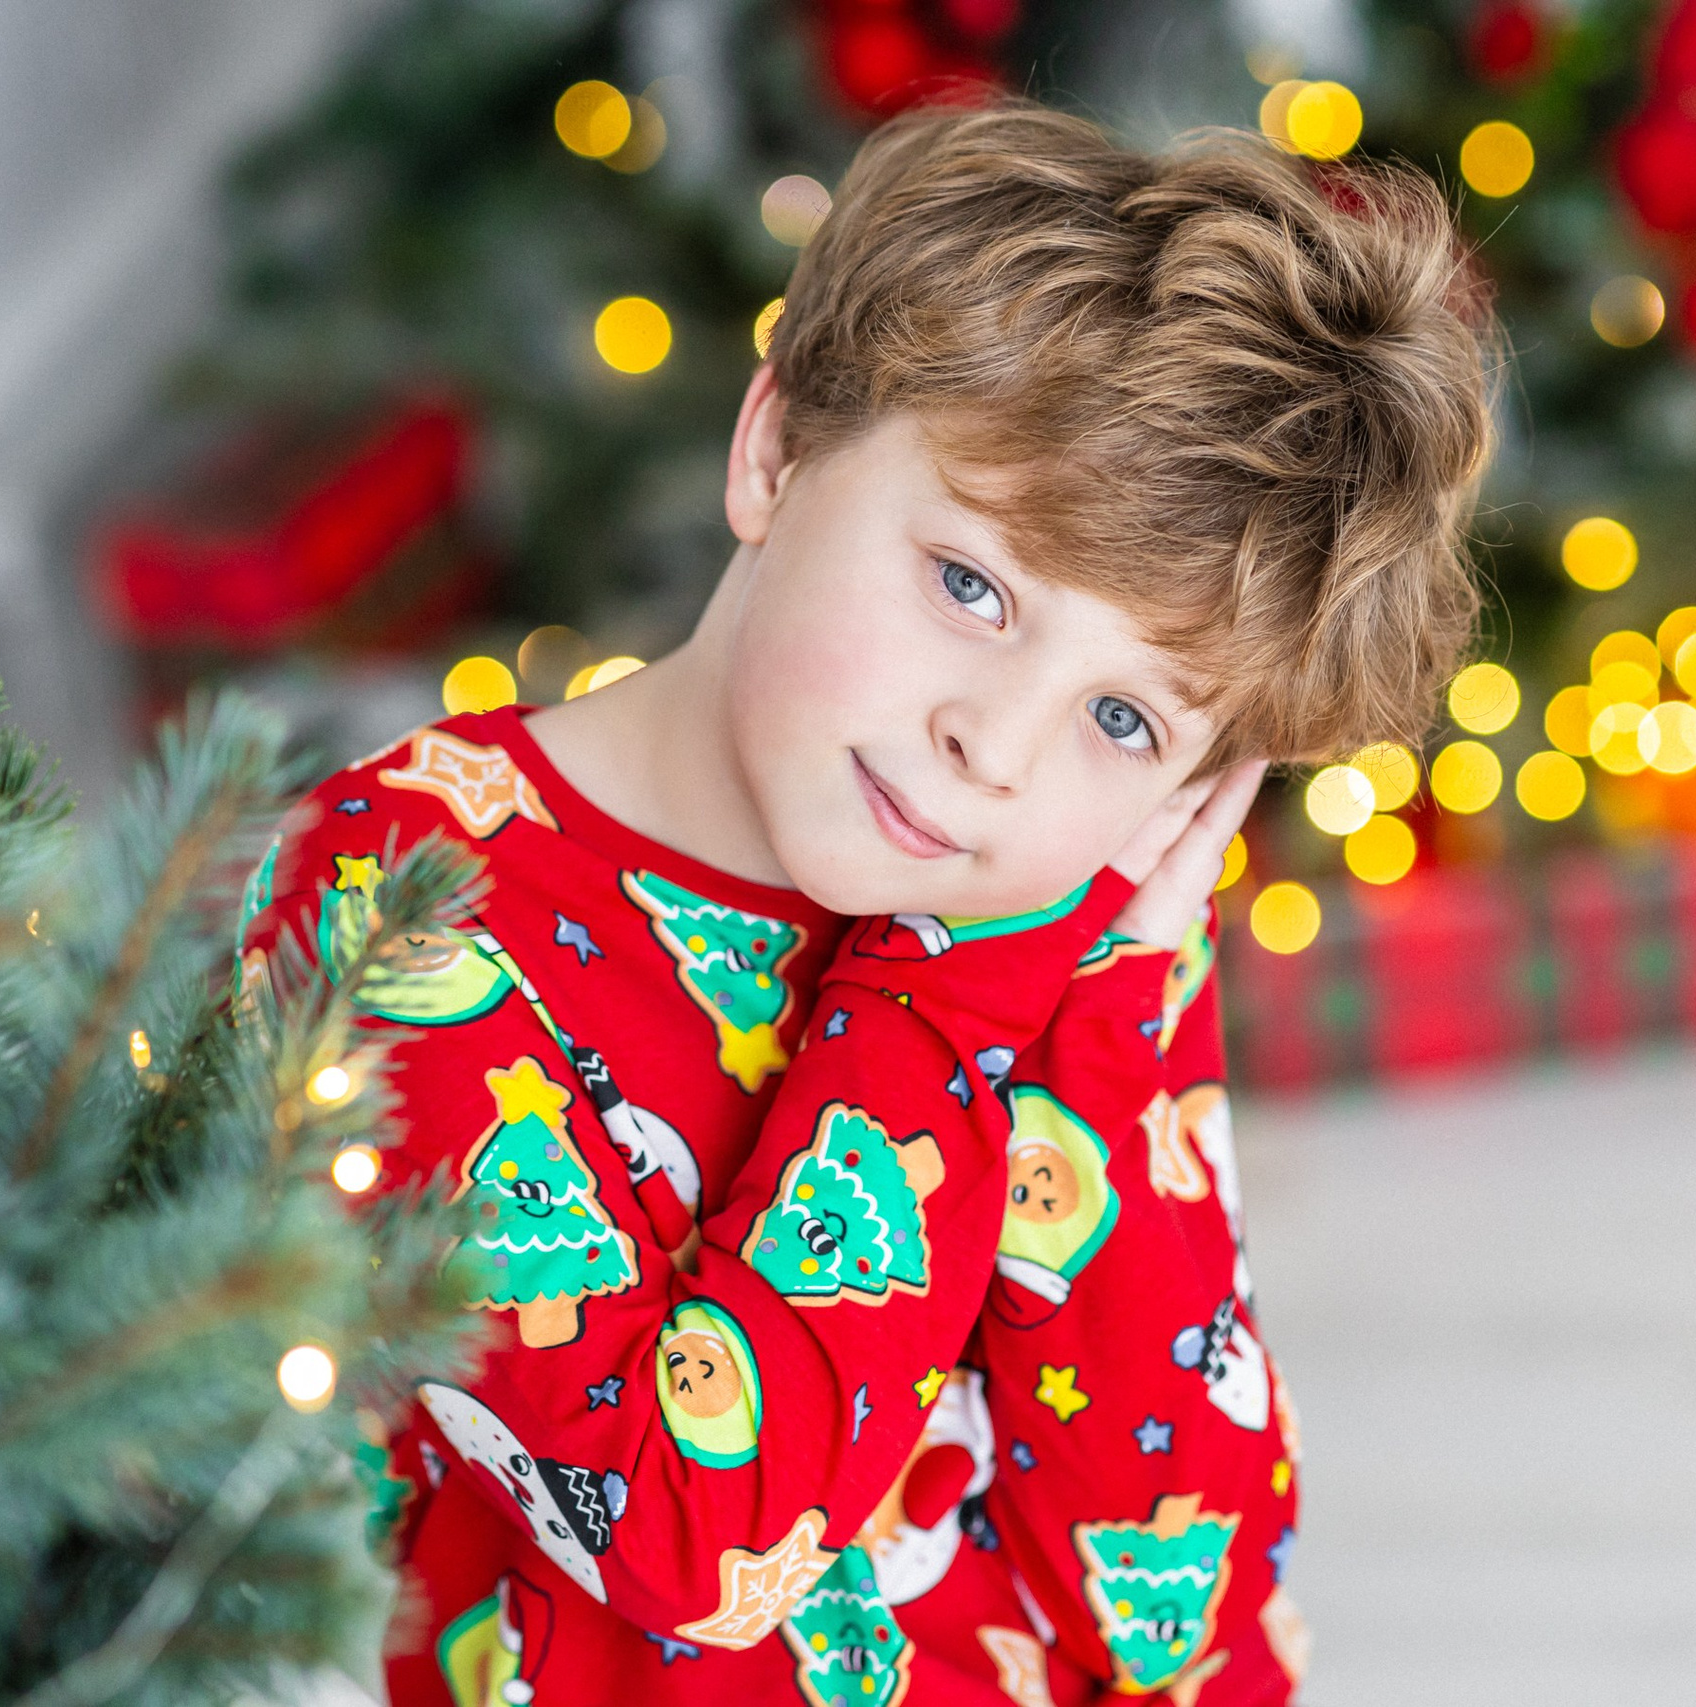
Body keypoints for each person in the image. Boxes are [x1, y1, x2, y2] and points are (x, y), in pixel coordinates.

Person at [241, 98, 1493, 1707]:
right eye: (973, 586)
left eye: (1124, 719)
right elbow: (686, 1536)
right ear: (775, 450)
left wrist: (1108, 1013)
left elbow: (1176, 1605)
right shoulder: (398, 892)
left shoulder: (1068, 921)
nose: (997, 749)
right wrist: (953, 994)